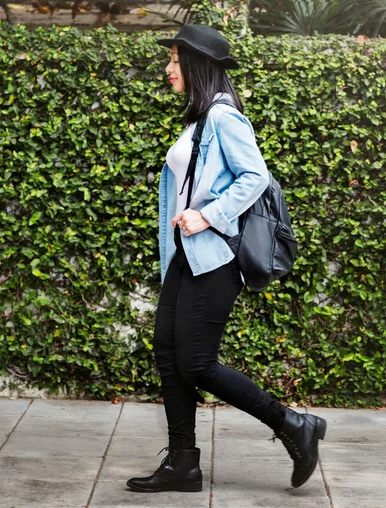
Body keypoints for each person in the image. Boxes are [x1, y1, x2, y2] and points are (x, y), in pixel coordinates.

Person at [126, 24, 327, 493]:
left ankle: (293, 425)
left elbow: (254, 176)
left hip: (214, 257)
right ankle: (182, 464)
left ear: (197, 65)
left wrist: (208, 215)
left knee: (196, 363)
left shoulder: (223, 117)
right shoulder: (199, 119)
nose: (168, 68)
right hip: (186, 257)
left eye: (175, 60)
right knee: (168, 355)